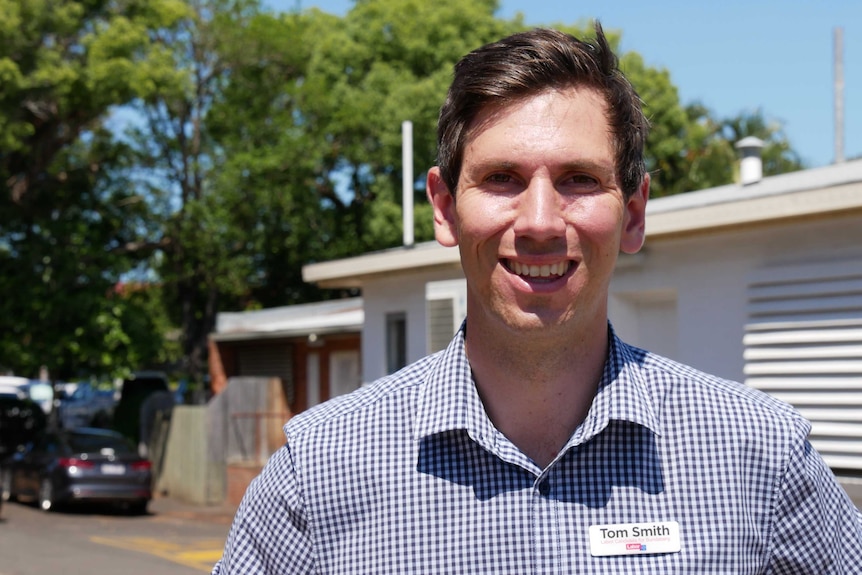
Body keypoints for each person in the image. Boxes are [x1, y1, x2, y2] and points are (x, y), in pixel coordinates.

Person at [213, 23, 862, 573]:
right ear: (444, 208)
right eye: (503, 178)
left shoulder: (762, 459)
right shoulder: (319, 473)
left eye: (579, 178)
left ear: (633, 214)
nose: (541, 220)